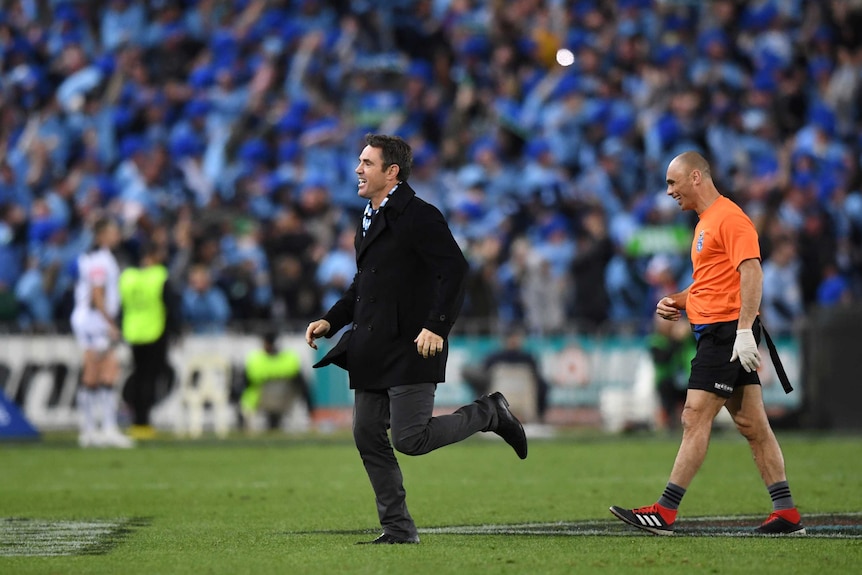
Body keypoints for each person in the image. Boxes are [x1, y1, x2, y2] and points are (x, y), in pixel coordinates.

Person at [305, 134, 528, 545]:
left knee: (411, 438)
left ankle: (489, 414)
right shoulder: (368, 216)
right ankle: (398, 529)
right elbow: (364, 284)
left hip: (412, 343)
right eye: (359, 161)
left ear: (392, 172)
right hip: (372, 344)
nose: (358, 169)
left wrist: (437, 326)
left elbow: (455, 271)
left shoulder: (420, 215)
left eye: (367, 163)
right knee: (367, 435)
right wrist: (331, 320)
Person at [610, 151, 804, 535]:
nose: (668, 192)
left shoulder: (730, 218)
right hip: (722, 330)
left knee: (694, 415)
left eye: (672, 182)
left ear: (695, 177)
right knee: (752, 424)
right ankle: (786, 513)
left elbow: (752, 273)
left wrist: (745, 329)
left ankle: (664, 511)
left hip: (726, 333)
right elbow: (711, 284)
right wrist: (677, 301)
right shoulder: (705, 223)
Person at [70, 216, 133, 448]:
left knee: (107, 372)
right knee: (94, 371)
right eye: (113, 231)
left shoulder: (94, 258)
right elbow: (97, 295)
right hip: (93, 321)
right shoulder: (100, 260)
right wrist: (111, 323)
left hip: (93, 321)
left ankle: (103, 428)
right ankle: (91, 430)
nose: (117, 235)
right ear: (101, 235)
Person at [119, 242, 180, 440]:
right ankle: (144, 422)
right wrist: (175, 331)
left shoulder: (129, 278)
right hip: (155, 332)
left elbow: (122, 305)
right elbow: (170, 306)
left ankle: (136, 420)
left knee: (137, 376)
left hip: (134, 332)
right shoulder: (159, 277)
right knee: (149, 379)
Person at [462, 327, 550, 423]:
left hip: (502, 398)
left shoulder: (495, 358)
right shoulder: (528, 359)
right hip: (521, 399)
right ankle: (539, 417)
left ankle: (481, 417)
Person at [241, 331, 314, 432]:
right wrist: (310, 409)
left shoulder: (255, 360)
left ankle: (244, 428)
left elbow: (245, 384)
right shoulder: (290, 359)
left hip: (260, 403)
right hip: (284, 403)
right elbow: (303, 386)